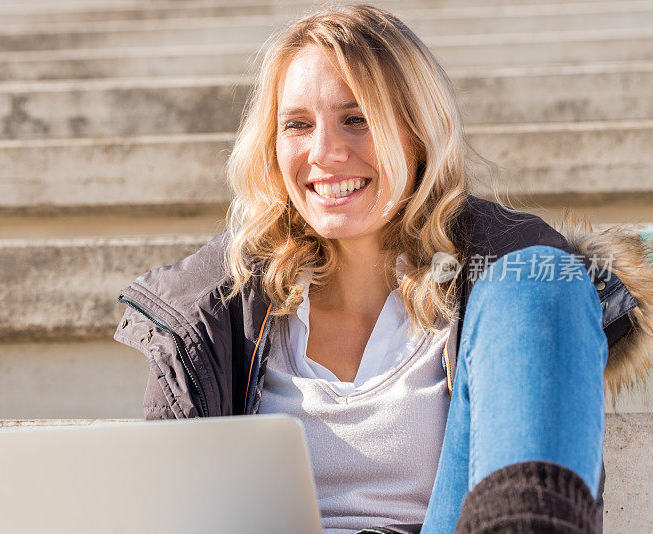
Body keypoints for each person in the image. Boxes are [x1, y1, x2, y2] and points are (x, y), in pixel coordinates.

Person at [113, 5, 653, 533]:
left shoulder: (505, 278)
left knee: (537, 275)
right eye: (297, 125)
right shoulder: (210, 312)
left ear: (418, 133)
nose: (324, 152)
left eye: (357, 119)